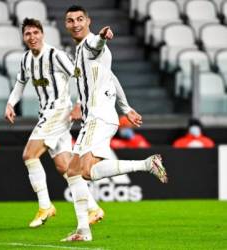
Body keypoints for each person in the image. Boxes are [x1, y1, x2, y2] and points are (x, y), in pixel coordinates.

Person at [62, 5, 168, 241]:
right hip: (99, 117)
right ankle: (83, 230)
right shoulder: (80, 50)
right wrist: (126, 107)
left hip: (98, 117)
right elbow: (113, 78)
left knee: (81, 172)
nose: (76, 23)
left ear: (88, 21)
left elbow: (96, 45)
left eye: (80, 19)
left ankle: (146, 164)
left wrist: (101, 36)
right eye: (70, 20)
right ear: (66, 24)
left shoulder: (91, 45)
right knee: (74, 172)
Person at [4, 18, 104, 228]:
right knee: (65, 167)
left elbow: (80, 75)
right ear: (23, 37)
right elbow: (20, 83)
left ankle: (45, 206)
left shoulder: (55, 55)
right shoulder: (26, 60)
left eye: (35, 33)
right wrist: (10, 103)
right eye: (28, 34)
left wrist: (79, 103)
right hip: (48, 114)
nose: (32, 37)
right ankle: (94, 208)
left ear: (42, 34)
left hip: (59, 111)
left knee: (29, 155)